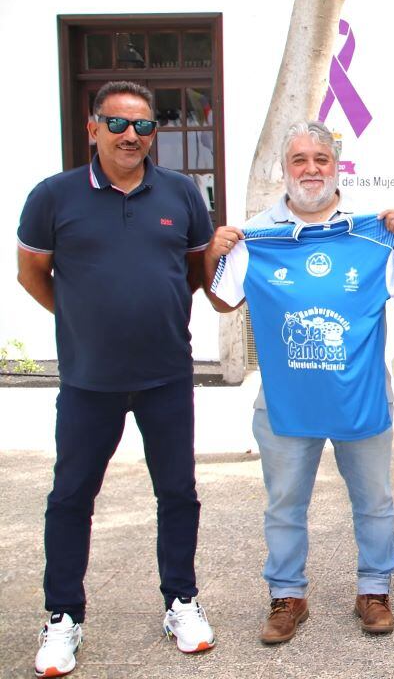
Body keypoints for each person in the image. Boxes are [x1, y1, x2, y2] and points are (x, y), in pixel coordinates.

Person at [17, 81, 217, 677]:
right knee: (71, 497)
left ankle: (180, 601)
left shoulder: (182, 192)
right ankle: (62, 618)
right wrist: (82, 318)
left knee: (177, 493)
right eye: (118, 124)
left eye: (143, 126)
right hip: (88, 380)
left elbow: (198, 271)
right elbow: (33, 274)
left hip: (166, 375)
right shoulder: (53, 196)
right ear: (93, 128)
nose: (131, 136)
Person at [203, 121, 394, 644]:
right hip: (285, 401)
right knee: (284, 503)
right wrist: (216, 251)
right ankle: (287, 596)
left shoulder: (372, 234)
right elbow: (221, 299)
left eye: (320, 159)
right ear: (286, 168)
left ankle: (374, 590)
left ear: (337, 165)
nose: (310, 169)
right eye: (299, 159)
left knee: (374, 501)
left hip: (362, 397)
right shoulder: (255, 236)